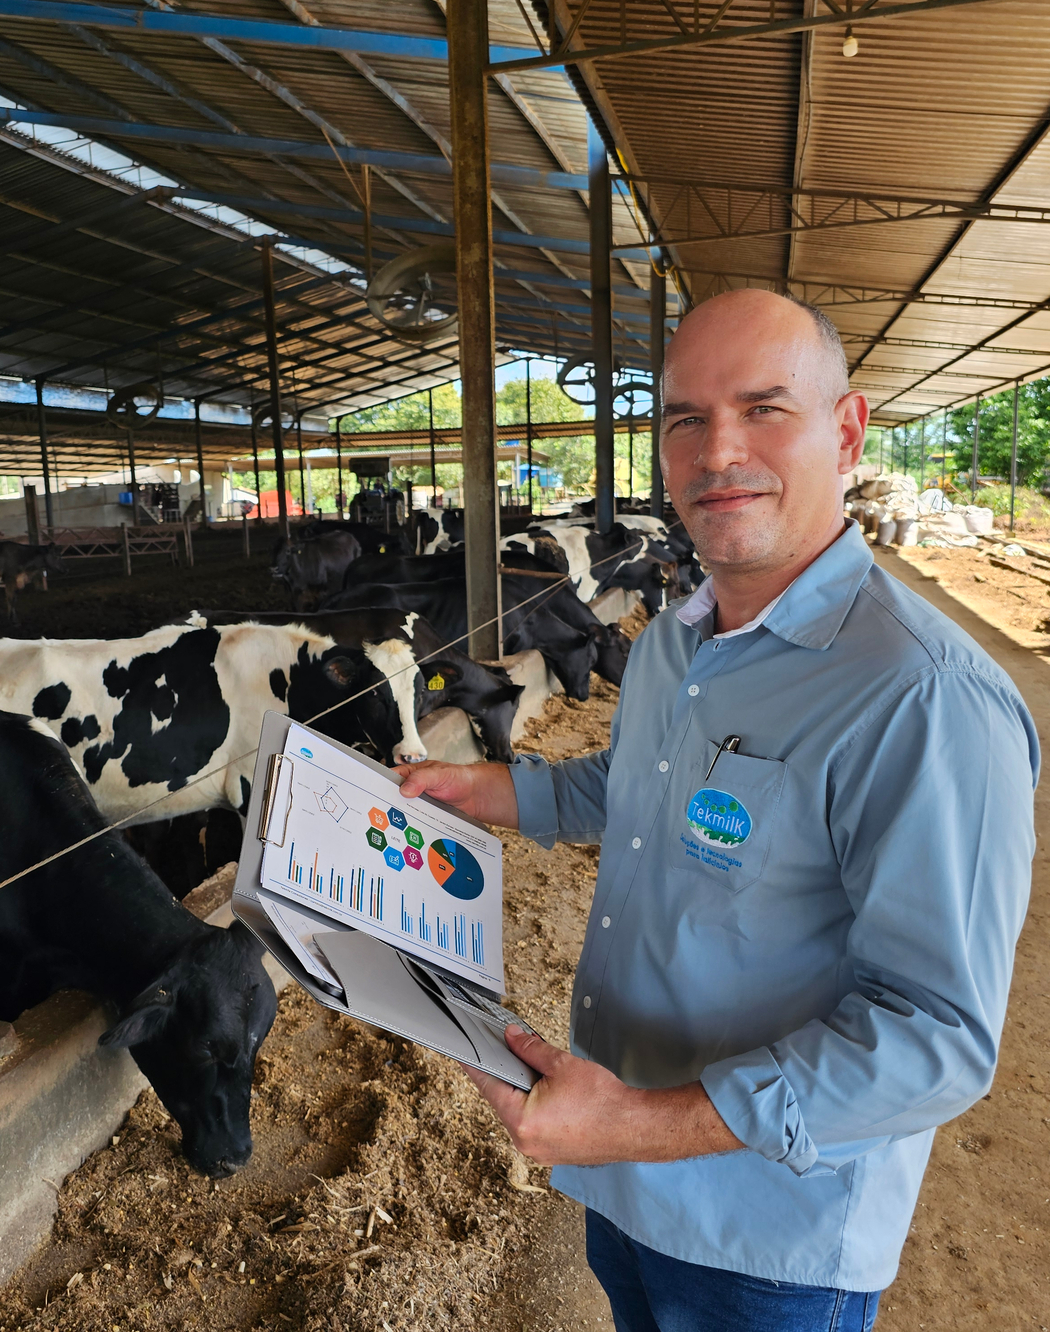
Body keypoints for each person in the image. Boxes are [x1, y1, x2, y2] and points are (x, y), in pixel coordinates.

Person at [396, 289, 1037, 1332]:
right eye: (685, 419)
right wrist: (495, 790)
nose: (715, 450)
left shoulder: (925, 698)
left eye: (764, 408)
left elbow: (937, 1038)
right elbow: (634, 786)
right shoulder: (672, 646)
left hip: (771, 1242)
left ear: (847, 428)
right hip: (626, 1181)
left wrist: (643, 1123)